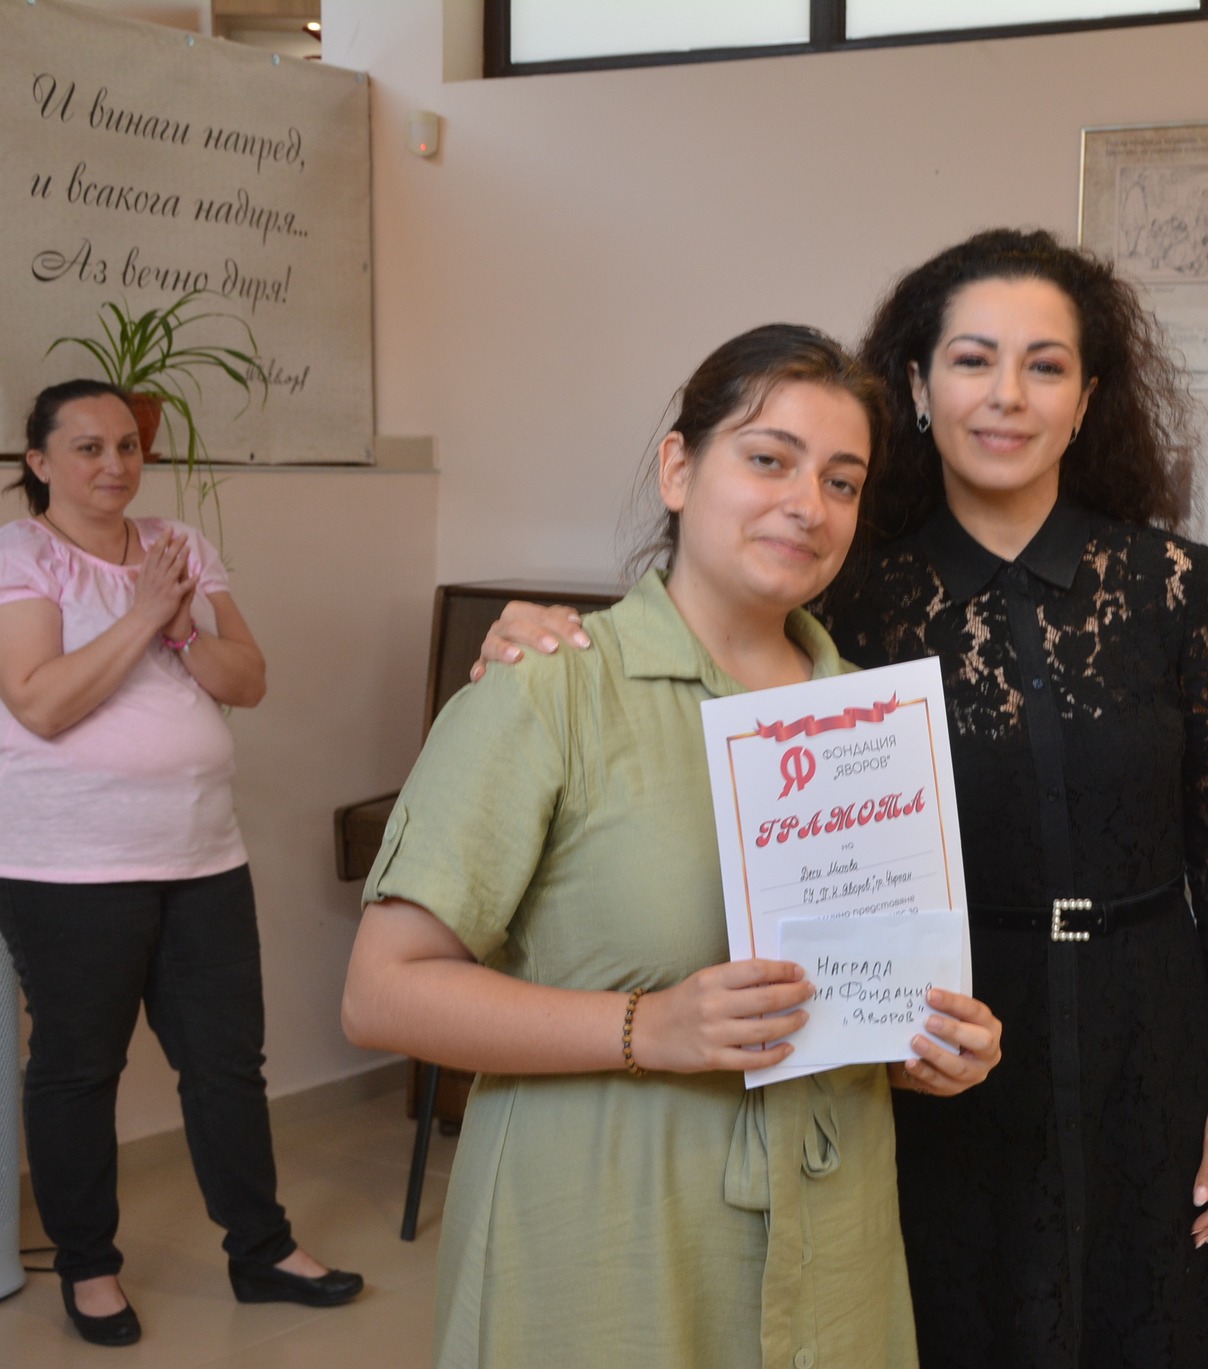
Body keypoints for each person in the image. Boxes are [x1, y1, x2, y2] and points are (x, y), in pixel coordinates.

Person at [478, 229, 1208, 1369]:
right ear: (916, 386)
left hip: (1145, 1035)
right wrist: (540, 631)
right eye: (971, 360)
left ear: (1085, 400)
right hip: (929, 1038)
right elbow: (702, 652)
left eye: (1045, 366)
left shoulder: (1173, 584)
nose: (1006, 395)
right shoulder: (843, 587)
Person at [339, 323, 1003, 1369]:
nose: (808, 504)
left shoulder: (871, 724)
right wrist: (649, 1026)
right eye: (769, 459)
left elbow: (851, 994)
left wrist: (926, 1043)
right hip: (602, 1231)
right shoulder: (549, 687)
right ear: (678, 469)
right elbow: (382, 993)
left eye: (841, 481)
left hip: (831, 1240)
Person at [0, 379, 361, 1348]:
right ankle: (89, 1267)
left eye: (128, 447)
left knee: (226, 1061)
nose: (115, 464)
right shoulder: (15, 557)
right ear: (39, 461)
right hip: (61, 861)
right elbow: (42, 701)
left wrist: (182, 626)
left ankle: (261, 1249)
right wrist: (146, 615)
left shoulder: (178, 543)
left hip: (200, 850)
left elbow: (247, 678)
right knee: (79, 1067)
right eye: (88, 447)